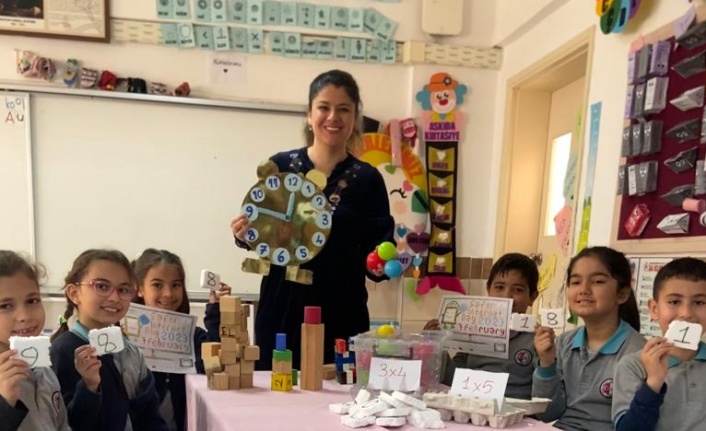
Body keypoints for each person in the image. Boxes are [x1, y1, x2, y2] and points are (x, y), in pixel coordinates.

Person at [230, 69, 394, 370]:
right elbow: (262, 229)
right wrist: (244, 234)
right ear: (309, 114)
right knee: (276, 389)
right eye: (324, 107)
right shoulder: (280, 167)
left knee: (338, 393)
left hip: (341, 312)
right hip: (282, 309)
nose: (333, 117)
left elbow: (380, 249)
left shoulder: (368, 180)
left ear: (354, 116)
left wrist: (382, 262)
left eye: (343, 109)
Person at [49, 249, 167, 431]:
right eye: (102, 286)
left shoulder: (130, 352)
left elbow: (150, 414)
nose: (114, 297)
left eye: (124, 290)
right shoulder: (63, 351)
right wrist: (89, 387)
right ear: (74, 293)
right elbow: (66, 422)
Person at [533, 246, 644, 431]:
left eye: (597, 281)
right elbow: (547, 414)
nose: (584, 289)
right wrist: (546, 363)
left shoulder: (638, 352)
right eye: (575, 282)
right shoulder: (563, 343)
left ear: (622, 294)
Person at [132, 248, 231, 431]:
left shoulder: (192, 335)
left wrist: (216, 308)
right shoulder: (126, 337)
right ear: (139, 288)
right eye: (157, 285)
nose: (168, 294)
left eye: (176, 285)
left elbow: (216, 357)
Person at [425, 253, 539, 399]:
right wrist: (436, 345)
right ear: (488, 290)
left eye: (518, 290)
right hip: (473, 406)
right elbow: (452, 379)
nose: (507, 297)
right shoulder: (474, 333)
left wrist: (546, 359)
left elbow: (545, 396)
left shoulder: (537, 340)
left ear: (532, 297)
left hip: (517, 410)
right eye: (499, 287)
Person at [612, 257, 706, 431]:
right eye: (674, 302)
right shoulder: (632, 366)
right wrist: (654, 382)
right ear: (655, 309)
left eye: (699, 302)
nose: (686, 313)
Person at [0, 250, 70, 431]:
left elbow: (62, 425)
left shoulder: (45, 372)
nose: (24, 315)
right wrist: (5, 402)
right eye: (5, 306)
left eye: (32, 301)